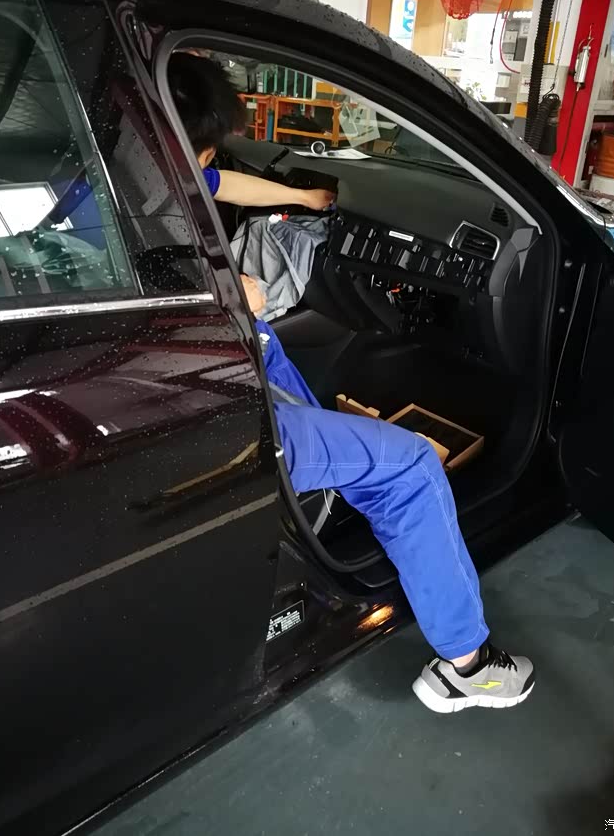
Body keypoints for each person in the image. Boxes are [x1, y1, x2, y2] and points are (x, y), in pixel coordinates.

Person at [170, 52, 535, 713]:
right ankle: (468, 664)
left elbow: (221, 184)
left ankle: (331, 482)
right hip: (211, 415)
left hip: (203, 387)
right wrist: (229, 300)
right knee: (415, 466)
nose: (207, 164)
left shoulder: (129, 179)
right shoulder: (159, 188)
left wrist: (305, 199)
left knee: (273, 342)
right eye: (206, 151)